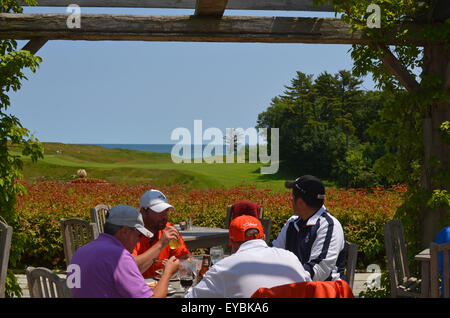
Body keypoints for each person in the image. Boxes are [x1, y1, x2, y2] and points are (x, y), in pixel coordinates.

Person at [185, 215, 310, 298]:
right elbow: (309, 286)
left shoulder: (224, 268)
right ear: (264, 238)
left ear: (231, 243)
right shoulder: (290, 257)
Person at [69, 204, 179, 298]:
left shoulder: (81, 251)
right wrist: (167, 273)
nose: (139, 240)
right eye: (139, 235)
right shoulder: (119, 257)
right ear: (125, 231)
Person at [272, 175, 346, 282]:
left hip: (324, 291)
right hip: (296, 287)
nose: (290, 199)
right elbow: (275, 253)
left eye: (292, 196)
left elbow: (318, 272)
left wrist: (283, 278)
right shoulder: (292, 222)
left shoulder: (330, 225)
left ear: (300, 203)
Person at [132, 189, 191, 278]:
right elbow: (130, 268)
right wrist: (161, 244)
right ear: (143, 212)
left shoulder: (168, 229)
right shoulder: (130, 233)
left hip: (163, 286)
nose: (164, 216)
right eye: (159, 211)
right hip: (136, 287)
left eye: (166, 211)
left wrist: (173, 266)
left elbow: (186, 259)